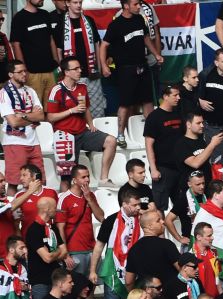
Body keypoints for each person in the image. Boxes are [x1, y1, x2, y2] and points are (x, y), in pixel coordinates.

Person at [46, 57, 119, 189]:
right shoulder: (56, 90)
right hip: (65, 136)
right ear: (66, 72)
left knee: (111, 141)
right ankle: (64, 204)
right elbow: (50, 117)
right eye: (76, 69)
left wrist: (90, 124)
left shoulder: (82, 87)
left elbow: (85, 108)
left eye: (80, 68)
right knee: (67, 177)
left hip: (82, 132)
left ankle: (104, 179)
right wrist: (71, 110)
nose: (80, 71)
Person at [99, 0, 161, 146]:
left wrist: (156, 54)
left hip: (143, 66)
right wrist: (104, 66)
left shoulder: (140, 19)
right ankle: (121, 135)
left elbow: (146, 38)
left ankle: (154, 133)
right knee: (125, 104)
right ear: (126, 6)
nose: (139, 6)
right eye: (135, 4)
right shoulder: (116, 24)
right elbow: (104, 45)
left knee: (148, 101)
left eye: (139, 4)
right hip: (126, 69)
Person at [0, 62, 44, 190]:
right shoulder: (4, 93)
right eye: (20, 72)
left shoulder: (30, 90)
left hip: (34, 142)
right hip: (14, 142)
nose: (24, 74)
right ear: (10, 74)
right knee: (14, 182)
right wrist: (32, 116)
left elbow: (41, 116)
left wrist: (23, 115)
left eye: (25, 71)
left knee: (38, 181)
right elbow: (13, 122)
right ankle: (11, 210)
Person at [56, 166, 105, 280]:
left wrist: (89, 199)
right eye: (83, 177)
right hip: (74, 250)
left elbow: (101, 217)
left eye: (88, 176)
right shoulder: (65, 198)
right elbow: (60, 228)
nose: (87, 179)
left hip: (92, 248)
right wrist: (65, 254)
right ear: (74, 180)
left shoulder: (90, 195)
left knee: (92, 283)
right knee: (77, 286)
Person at [143, 86, 185, 212]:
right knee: (159, 206)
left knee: (183, 206)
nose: (178, 98)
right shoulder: (154, 117)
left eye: (179, 95)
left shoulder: (179, 113)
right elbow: (149, 144)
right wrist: (154, 169)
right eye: (175, 95)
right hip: (163, 168)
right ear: (165, 97)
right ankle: (160, 232)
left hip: (180, 167)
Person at [10, 0, 57, 102]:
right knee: (35, 110)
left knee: (53, 109)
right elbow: (16, 45)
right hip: (32, 73)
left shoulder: (45, 14)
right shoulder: (19, 17)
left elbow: (51, 39)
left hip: (50, 71)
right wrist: (23, 71)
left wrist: (56, 62)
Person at [24, 197, 67, 299]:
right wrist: (57, 252)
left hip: (55, 280)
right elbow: (47, 258)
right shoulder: (34, 230)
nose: (56, 210)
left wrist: (53, 253)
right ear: (47, 209)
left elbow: (64, 251)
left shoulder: (53, 228)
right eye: (54, 207)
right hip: (40, 281)